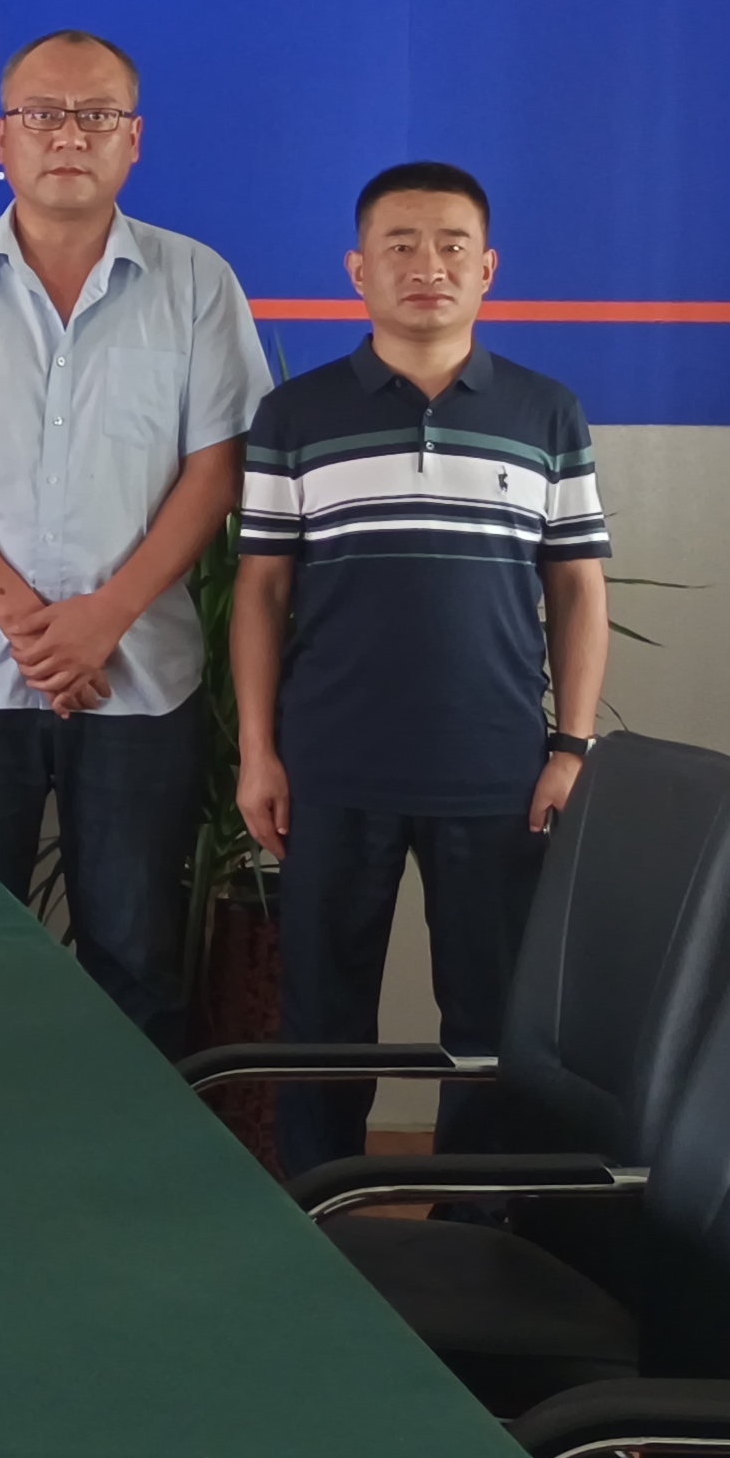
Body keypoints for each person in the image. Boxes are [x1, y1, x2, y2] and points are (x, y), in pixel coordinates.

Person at [0, 29, 267, 1053]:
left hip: (138, 677)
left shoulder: (197, 281)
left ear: (133, 139)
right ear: (0, 137)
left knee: (136, 957)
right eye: (42, 114)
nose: (68, 135)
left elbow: (217, 468)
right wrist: (30, 625)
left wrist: (105, 618)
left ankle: (130, 1158)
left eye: (95, 115)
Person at [232, 162, 610, 1176]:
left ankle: (475, 1217)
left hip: (496, 770)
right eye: (399, 244)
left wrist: (571, 746)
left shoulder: (546, 413)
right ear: (358, 270)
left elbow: (578, 588)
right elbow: (260, 590)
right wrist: (258, 751)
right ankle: (316, 1209)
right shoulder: (295, 415)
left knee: (488, 1023)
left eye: (451, 245)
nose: (427, 265)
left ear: (487, 269)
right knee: (322, 1017)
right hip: (330, 766)